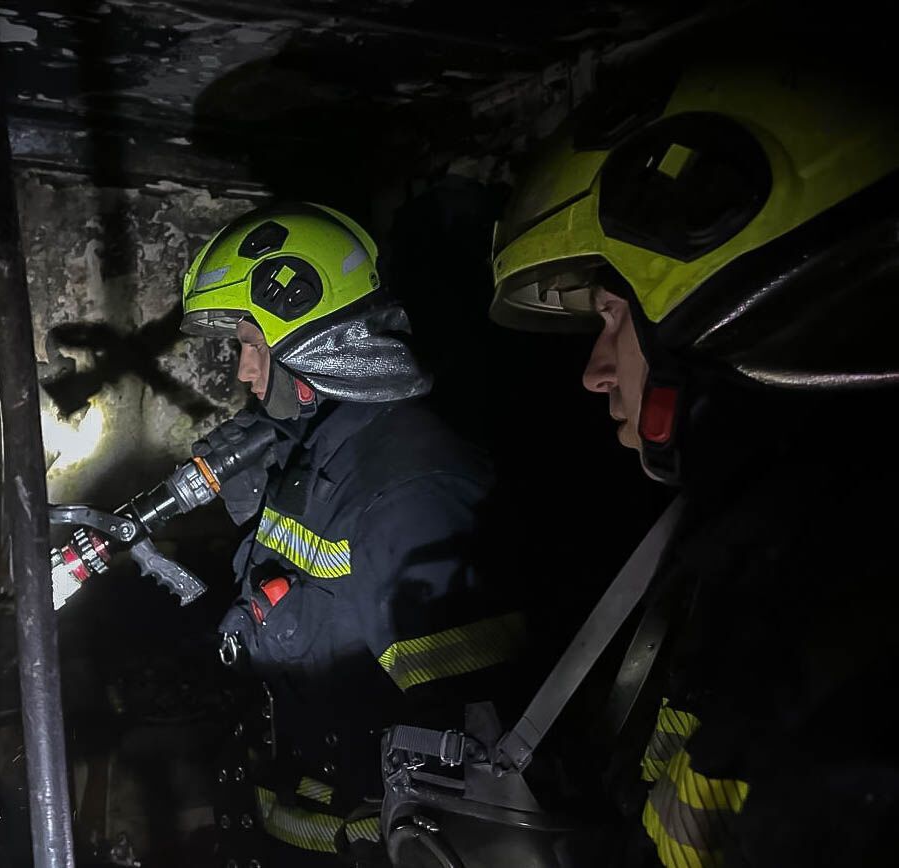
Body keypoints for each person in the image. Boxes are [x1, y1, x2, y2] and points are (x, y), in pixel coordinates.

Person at [487, 54, 899, 866]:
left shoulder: (848, 609)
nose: (594, 371)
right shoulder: (776, 552)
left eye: (614, 320)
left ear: (718, 321)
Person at [180, 203, 526, 867]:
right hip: (293, 824)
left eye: (250, 346)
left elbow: (471, 751)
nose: (245, 374)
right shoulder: (319, 452)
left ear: (313, 344)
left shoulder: (409, 489)